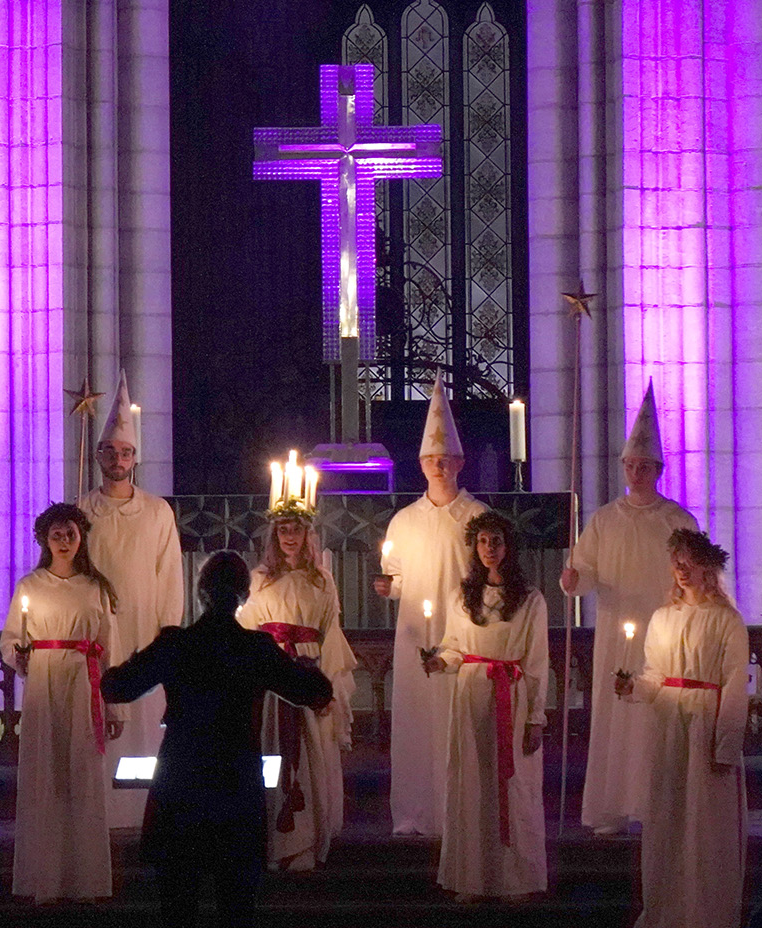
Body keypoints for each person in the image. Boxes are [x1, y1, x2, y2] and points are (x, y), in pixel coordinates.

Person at [101, 551, 333, 928]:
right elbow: (317, 692)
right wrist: (307, 666)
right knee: (236, 908)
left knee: (178, 907)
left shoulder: (176, 643)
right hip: (235, 784)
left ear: (200, 593)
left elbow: (116, 687)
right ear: (243, 595)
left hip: (182, 781)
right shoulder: (256, 648)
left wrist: (127, 660)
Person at [560, 381, 700, 833]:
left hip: (663, 631)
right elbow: (584, 570)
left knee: (655, 710)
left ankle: (656, 804)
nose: (637, 472)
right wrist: (573, 580)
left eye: (644, 465)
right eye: (631, 465)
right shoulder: (603, 520)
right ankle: (613, 805)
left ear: (657, 469)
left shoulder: (678, 520)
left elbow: (697, 573)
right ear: (623, 468)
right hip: (616, 627)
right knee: (616, 713)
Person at [614, 527, 748, 928]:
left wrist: (724, 745)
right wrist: (633, 686)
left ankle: (705, 913)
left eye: (689, 561)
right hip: (670, 729)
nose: (681, 568)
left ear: (708, 566)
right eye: (676, 561)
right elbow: (656, 676)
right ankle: (667, 910)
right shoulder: (662, 618)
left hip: (704, 727)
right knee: (669, 819)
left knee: (704, 824)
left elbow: (735, 685)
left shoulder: (727, 620)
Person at [375, 376, 487, 836]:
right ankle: (416, 811)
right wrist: (390, 588)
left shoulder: (477, 517)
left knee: (455, 721)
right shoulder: (405, 519)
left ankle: (456, 810)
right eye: (430, 459)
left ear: (459, 462)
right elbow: (398, 577)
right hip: (416, 636)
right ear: (421, 465)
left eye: (445, 459)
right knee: (418, 722)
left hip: (460, 633)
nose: (438, 466)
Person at [0, 504, 122, 903]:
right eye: (56, 535)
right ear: (44, 540)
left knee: (82, 774)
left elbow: (108, 649)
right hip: (45, 682)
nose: (64, 541)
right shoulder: (30, 586)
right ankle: (44, 880)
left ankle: (85, 880)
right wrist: (18, 656)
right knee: (45, 773)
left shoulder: (94, 588)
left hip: (82, 683)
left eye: (70, 534)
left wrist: (113, 701)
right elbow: (11, 636)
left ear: (81, 537)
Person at [76, 370, 185, 828]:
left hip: (145, 632)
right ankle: (102, 808)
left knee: (143, 722)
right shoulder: (82, 510)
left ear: (135, 458)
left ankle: (144, 810)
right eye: (110, 452)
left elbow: (170, 576)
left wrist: (168, 633)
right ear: (99, 455)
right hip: (101, 632)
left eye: (125, 453)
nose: (117, 459)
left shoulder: (157, 511)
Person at [426, 512, 548, 901]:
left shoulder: (530, 599)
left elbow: (537, 663)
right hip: (471, 700)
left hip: (510, 697)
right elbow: (454, 649)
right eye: (482, 542)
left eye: (495, 541)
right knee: (473, 785)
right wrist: (438, 661)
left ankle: (513, 879)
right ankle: (473, 878)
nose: (488, 549)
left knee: (512, 786)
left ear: (507, 546)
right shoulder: (462, 598)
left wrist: (536, 717)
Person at [235, 493, 357, 870]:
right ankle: (272, 842)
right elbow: (247, 630)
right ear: (273, 535)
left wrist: (330, 687)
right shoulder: (259, 580)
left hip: (306, 675)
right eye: (283, 530)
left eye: (297, 531)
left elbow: (331, 634)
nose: (289, 537)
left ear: (308, 536)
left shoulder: (321, 581)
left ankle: (303, 844)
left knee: (307, 757)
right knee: (271, 754)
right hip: (271, 677)